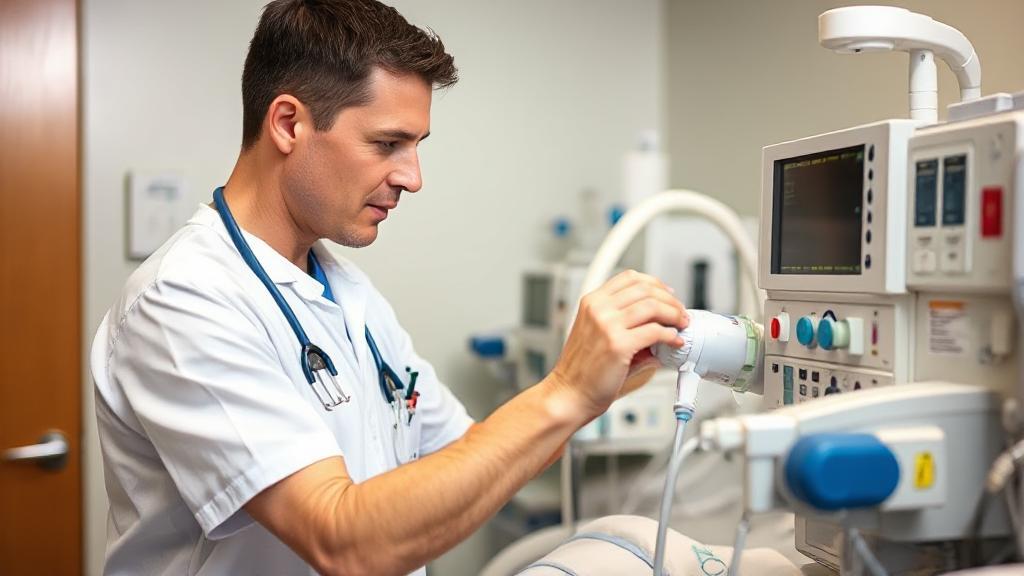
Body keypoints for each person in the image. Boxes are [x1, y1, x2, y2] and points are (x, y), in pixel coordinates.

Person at [90, 1, 688, 574]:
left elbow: (472, 452)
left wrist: (600, 385)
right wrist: (565, 390)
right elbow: (342, 542)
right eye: (387, 144)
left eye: (416, 147)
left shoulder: (348, 293)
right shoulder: (183, 299)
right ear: (289, 124)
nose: (412, 178)